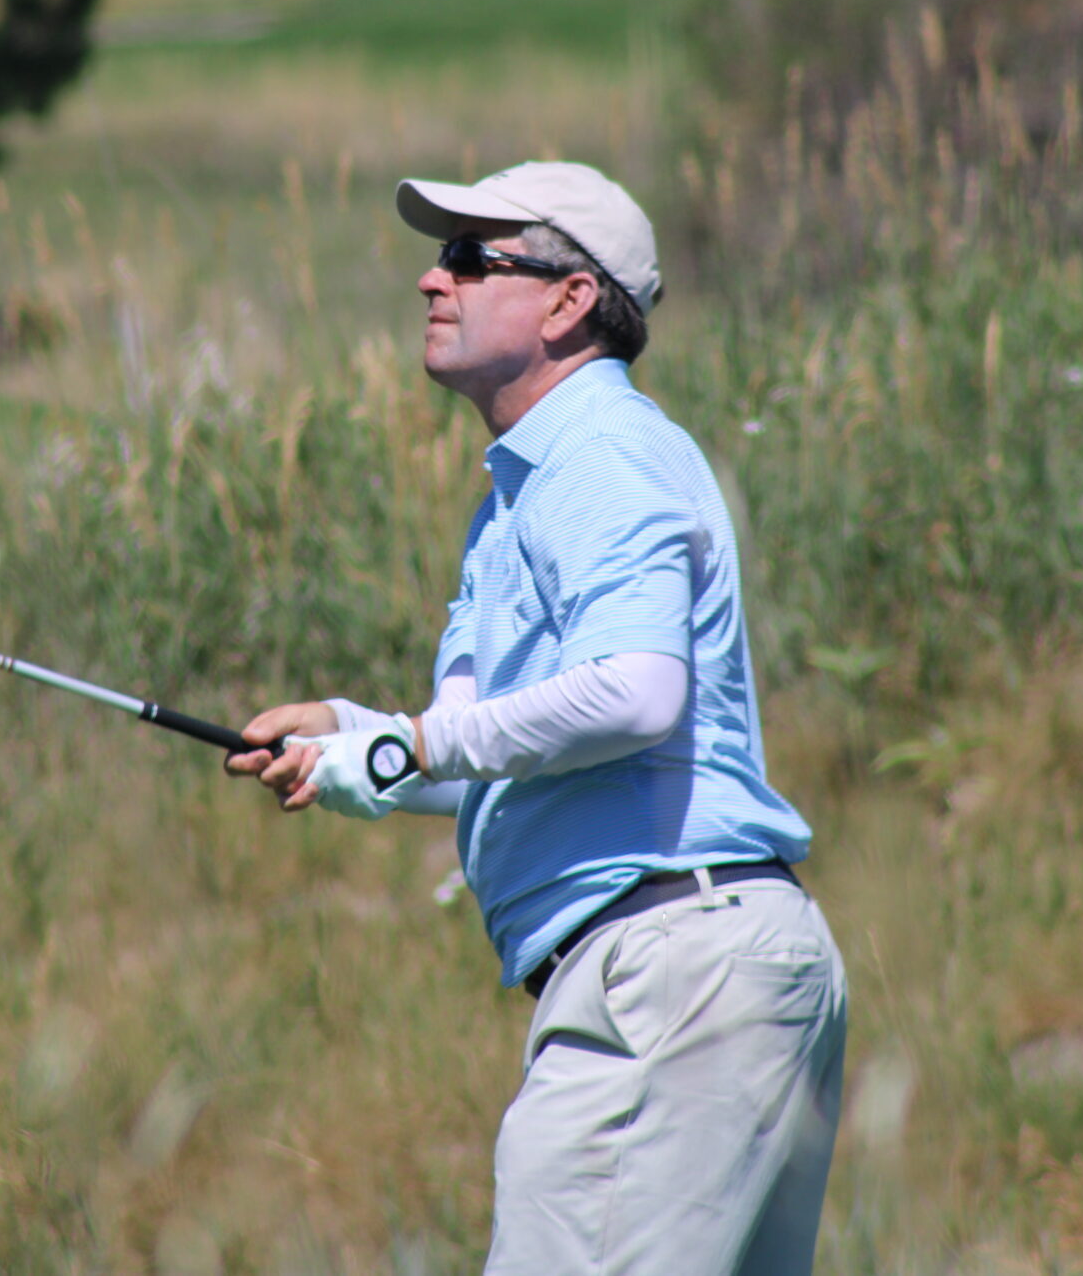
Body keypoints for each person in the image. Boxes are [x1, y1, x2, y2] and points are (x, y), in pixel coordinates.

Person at [227, 161, 849, 1275]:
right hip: (700, 968)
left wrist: (406, 739)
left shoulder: (599, 454)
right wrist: (353, 740)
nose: (431, 278)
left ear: (569, 302)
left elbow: (634, 693)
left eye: (470, 259)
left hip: (666, 973)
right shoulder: (517, 497)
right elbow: (498, 749)